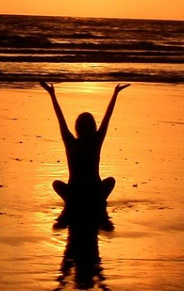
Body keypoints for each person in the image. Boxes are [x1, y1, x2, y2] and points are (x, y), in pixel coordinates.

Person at [40, 82, 129, 215]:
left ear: (77, 127)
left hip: (76, 192)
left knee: (57, 184)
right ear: (93, 126)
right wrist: (115, 93)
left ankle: (77, 201)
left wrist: (52, 94)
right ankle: (92, 201)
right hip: (92, 192)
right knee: (110, 181)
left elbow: (61, 118)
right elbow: (107, 118)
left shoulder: (73, 142)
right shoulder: (94, 141)